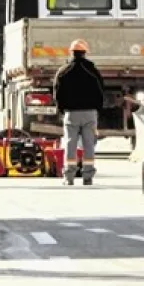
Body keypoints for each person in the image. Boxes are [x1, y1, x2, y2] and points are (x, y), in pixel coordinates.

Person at [53, 39, 105, 186]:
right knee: (89, 144)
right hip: (90, 113)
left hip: (71, 114)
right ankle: (88, 177)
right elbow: (101, 92)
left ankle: (69, 177)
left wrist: (62, 110)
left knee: (70, 144)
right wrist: (97, 110)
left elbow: (57, 93)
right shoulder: (93, 71)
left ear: (71, 52)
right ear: (85, 53)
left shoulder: (63, 71)